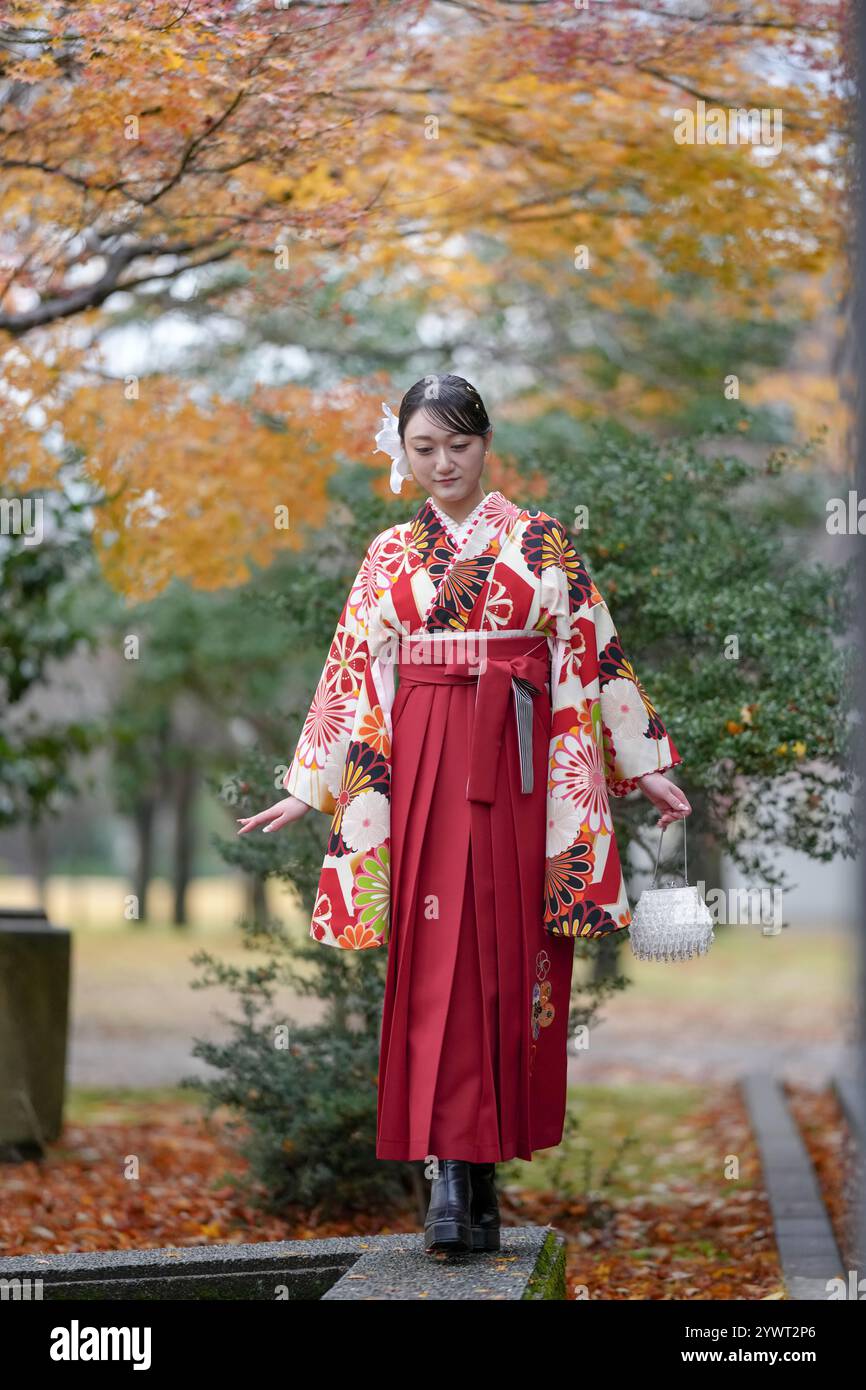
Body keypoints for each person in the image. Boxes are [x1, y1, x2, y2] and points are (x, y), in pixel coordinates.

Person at [238, 373, 691, 1255]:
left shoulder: (541, 542)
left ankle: (485, 1171)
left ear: (487, 445)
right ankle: (449, 1174)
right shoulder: (387, 554)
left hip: (522, 757)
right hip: (419, 759)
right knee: (435, 953)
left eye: (459, 444)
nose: (443, 463)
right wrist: (310, 784)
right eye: (424, 448)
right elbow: (352, 671)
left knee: (511, 956)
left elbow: (593, 659)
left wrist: (645, 764)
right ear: (403, 454)